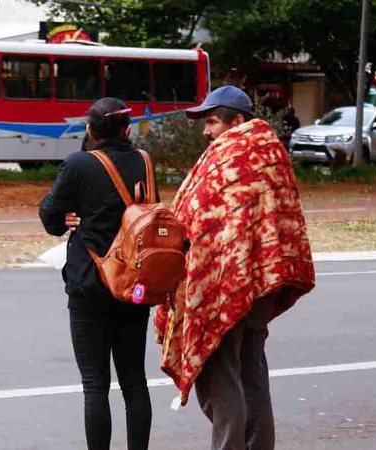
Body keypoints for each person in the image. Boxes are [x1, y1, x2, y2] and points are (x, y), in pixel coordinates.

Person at [154, 86, 316, 450]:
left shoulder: (229, 156)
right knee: (252, 371)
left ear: (237, 121)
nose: (206, 131)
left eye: (212, 122)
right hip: (263, 281)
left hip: (223, 284)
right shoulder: (272, 152)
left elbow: (200, 223)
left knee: (221, 376)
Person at [39, 97, 158, 450]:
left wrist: (70, 217)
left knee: (95, 384)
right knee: (135, 382)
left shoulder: (79, 165)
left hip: (90, 283)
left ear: (90, 130)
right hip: (134, 283)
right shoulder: (144, 162)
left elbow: (50, 217)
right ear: (127, 129)